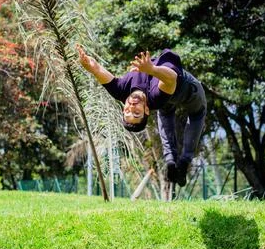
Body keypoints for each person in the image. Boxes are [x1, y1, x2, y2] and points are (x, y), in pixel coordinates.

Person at [77, 46, 206, 186]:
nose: (131, 107)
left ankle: (170, 161)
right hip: (189, 92)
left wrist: (90, 65)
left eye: (128, 111)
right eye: (136, 113)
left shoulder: (120, 91)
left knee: (165, 112)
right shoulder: (155, 97)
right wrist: (152, 70)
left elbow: (98, 71)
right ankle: (184, 160)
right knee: (197, 115)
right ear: (146, 110)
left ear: (123, 107)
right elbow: (171, 78)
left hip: (167, 96)